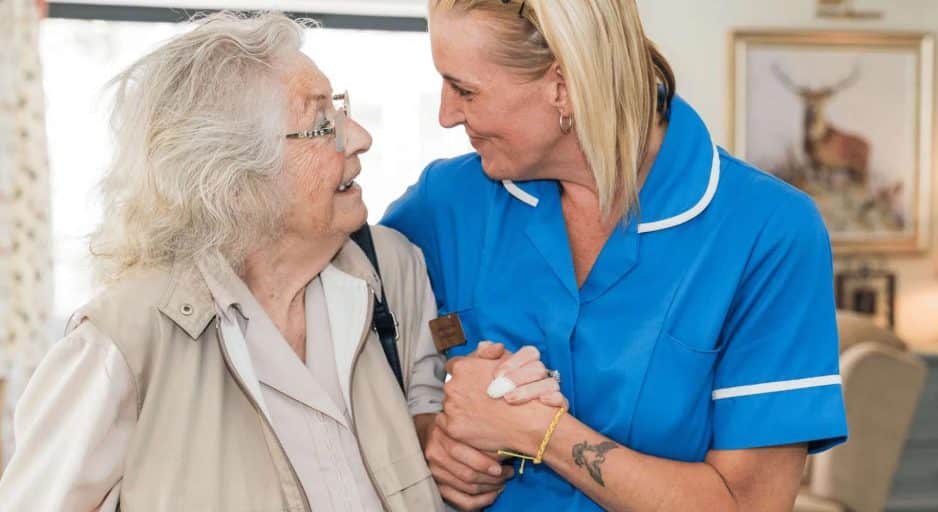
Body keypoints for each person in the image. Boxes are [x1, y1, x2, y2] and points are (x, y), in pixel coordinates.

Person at [0, 12, 547, 512]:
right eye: (321, 122)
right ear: (235, 177)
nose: (359, 137)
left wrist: (469, 427)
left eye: (342, 110)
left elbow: (426, 433)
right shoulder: (121, 341)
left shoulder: (391, 270)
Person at [381, 1, 849, 510]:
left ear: (562, 86)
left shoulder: (769, 231)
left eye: (465, 90)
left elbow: (749, 504)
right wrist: (433, 436)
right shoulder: (446, 202)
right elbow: (344, 347)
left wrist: (540, 432)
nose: (446, 115)